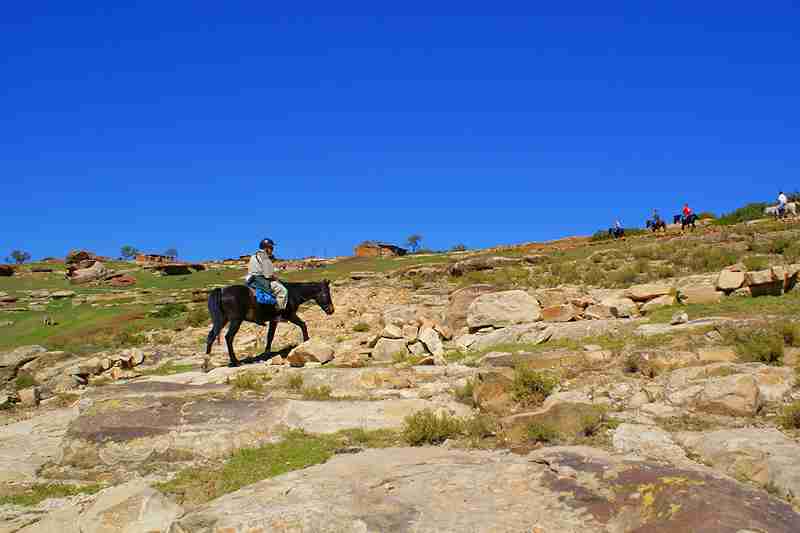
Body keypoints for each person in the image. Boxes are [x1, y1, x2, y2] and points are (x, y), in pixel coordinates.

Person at [245, 238, 288, 311]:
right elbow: (268, 275)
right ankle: (279, 312)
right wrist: (276, 278)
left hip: (250, 280)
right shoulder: (265, 257)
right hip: (260, 280)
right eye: (271, 248)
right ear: (266, 248)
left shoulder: (253, 255)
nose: (272, 249)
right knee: (283, 291)